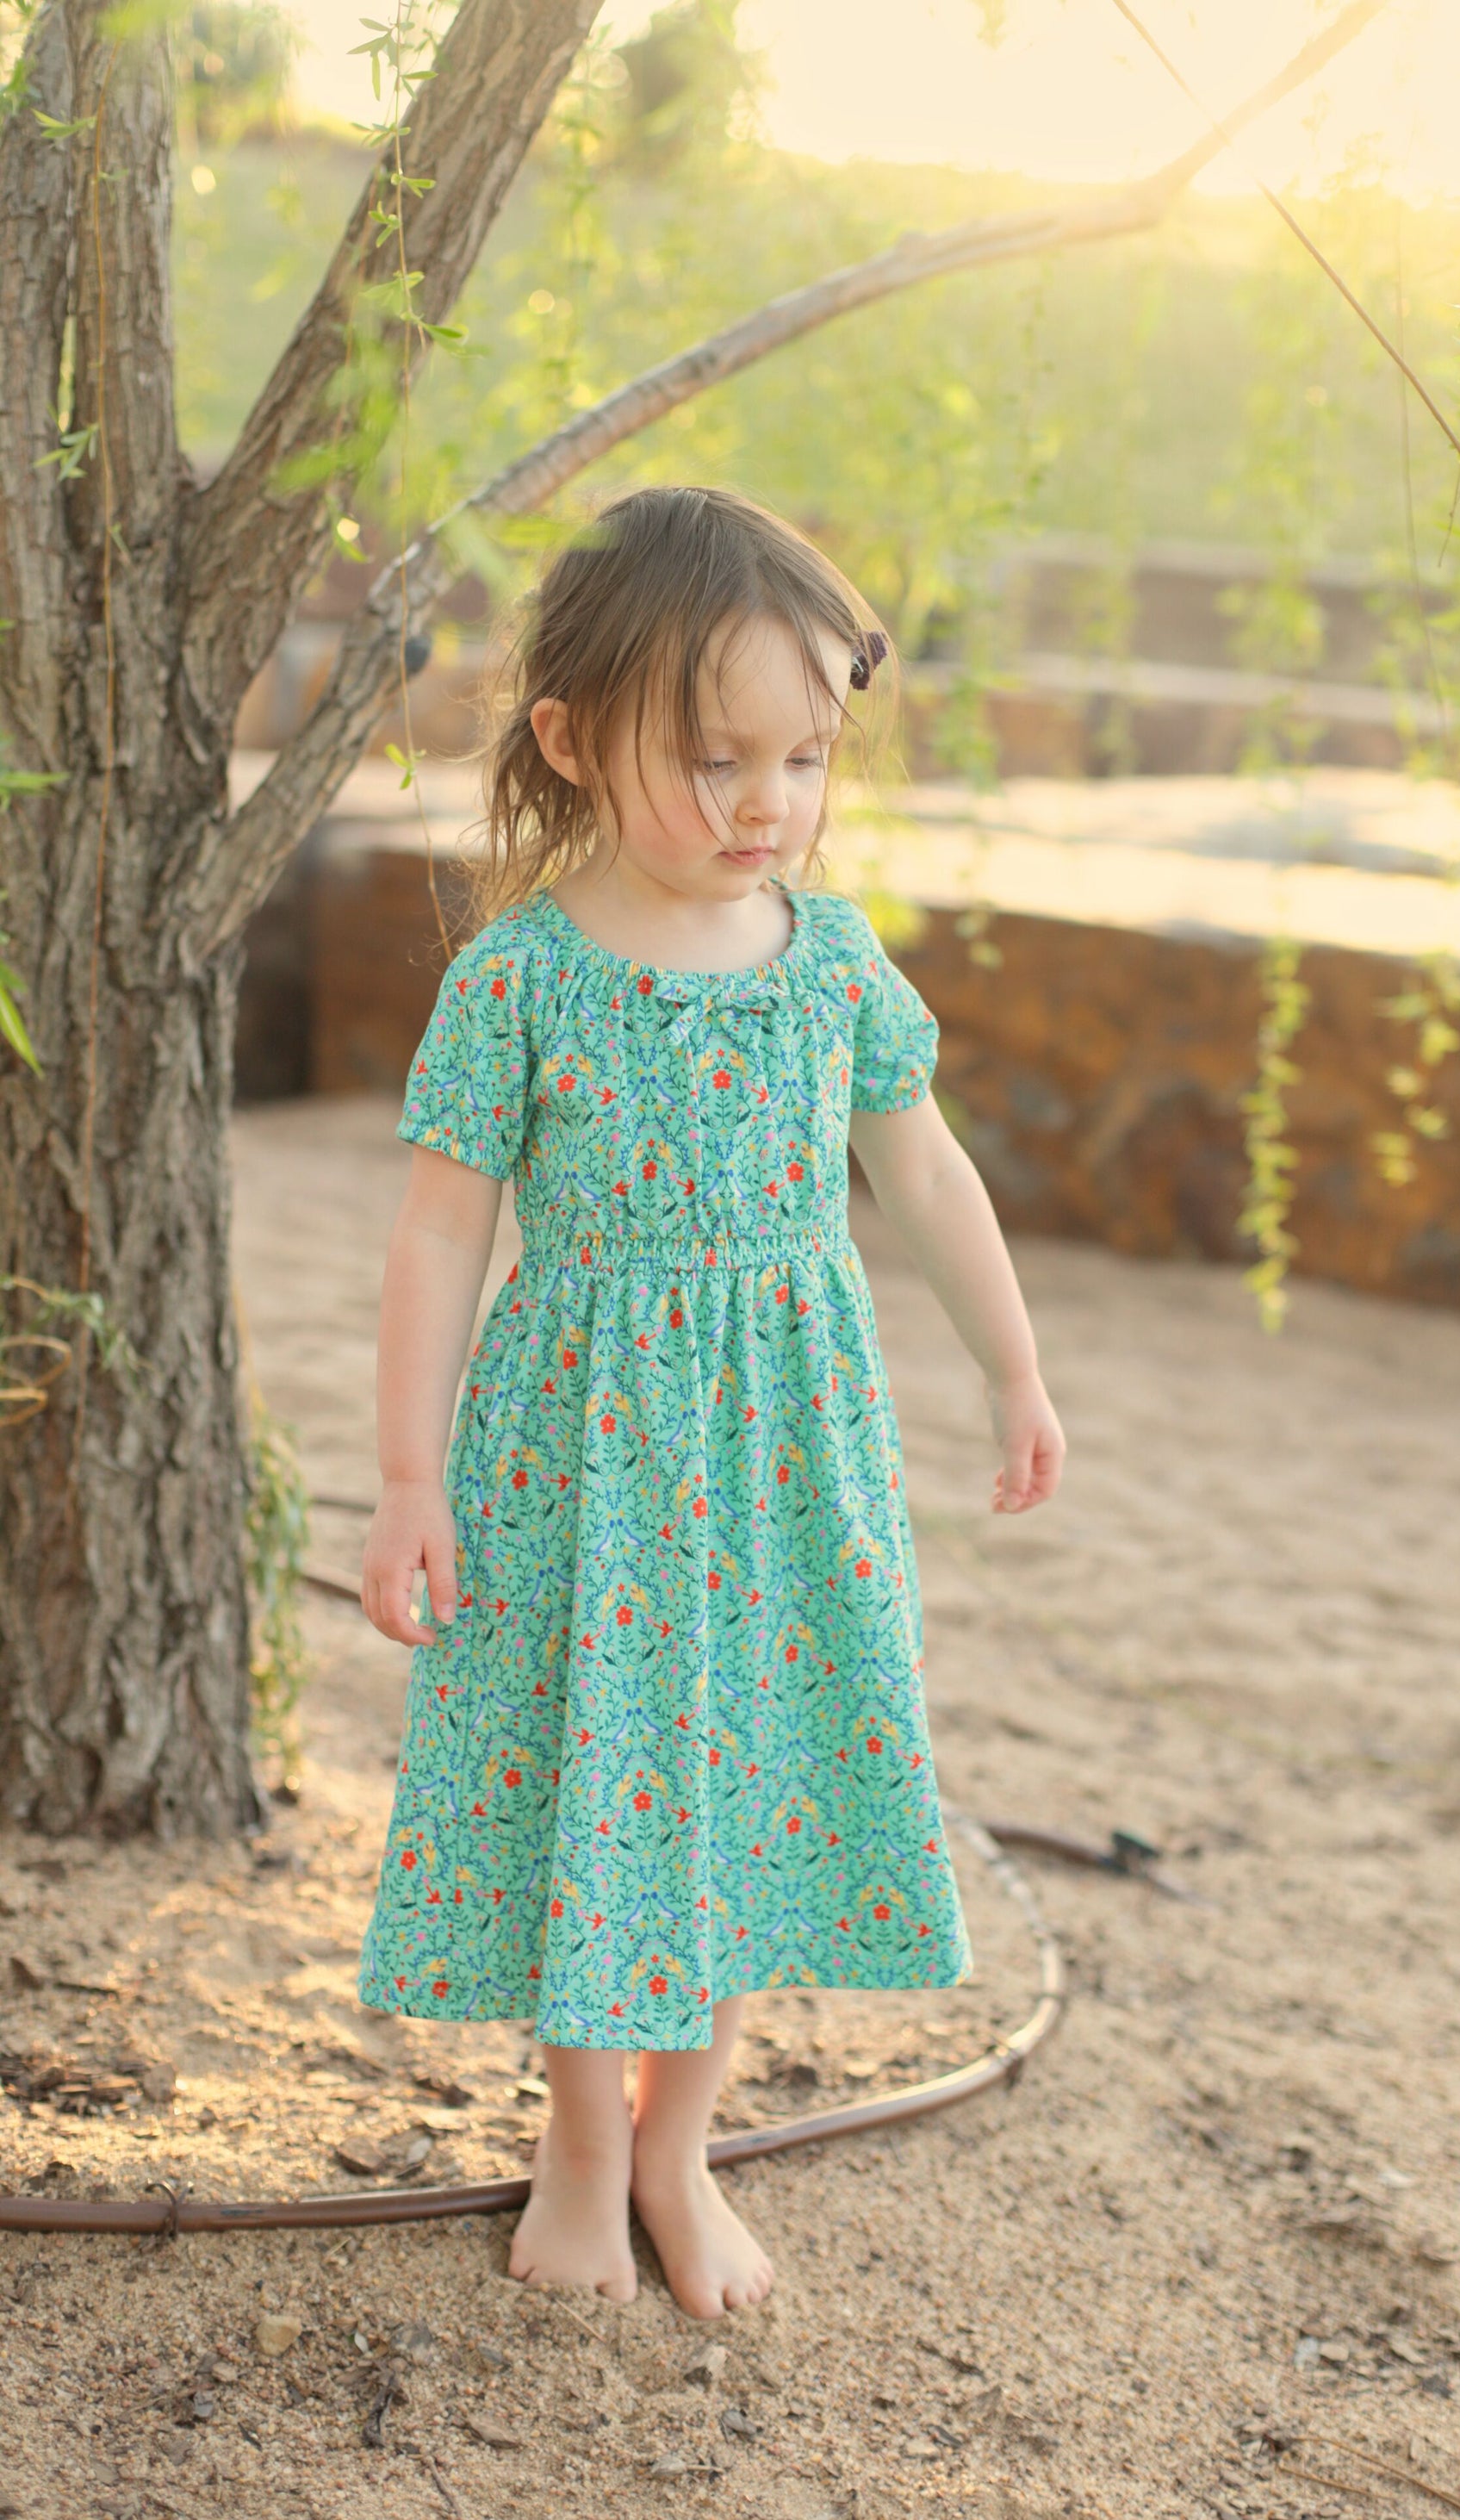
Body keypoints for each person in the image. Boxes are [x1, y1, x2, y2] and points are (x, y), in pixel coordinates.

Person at [357, 483, 1065, 2319]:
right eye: (718, 757)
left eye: (806, 756)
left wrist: (1013, 1365)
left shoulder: (827, 961)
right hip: (574, 1458)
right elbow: (440, 1236)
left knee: (750, 1779)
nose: (768, 802)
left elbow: (923, 1174)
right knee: (589, 1776)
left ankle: (685, 2147)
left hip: (778, 1463)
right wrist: (405, 1477)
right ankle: (585, 2149)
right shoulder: (521, 971)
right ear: (573, 740)